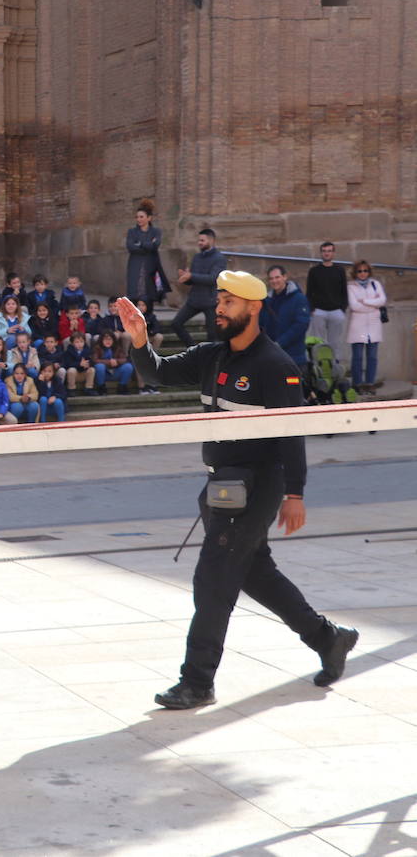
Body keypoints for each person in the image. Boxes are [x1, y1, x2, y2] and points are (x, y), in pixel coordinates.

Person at [114, 272, 359, 709]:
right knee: (255, 574)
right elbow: (160, 371)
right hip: (219, 487)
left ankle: (197, 681)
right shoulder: (213, 356)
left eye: (228, 301)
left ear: (254, 307)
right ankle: (329, 638)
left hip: (257, 487)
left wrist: (295, 493)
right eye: (219, 300)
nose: (219, 308)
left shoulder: (276, 366)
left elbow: (291, 433)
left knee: (213, 580)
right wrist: (139, 339)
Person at [171, 228, 228, 347]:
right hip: (194, 300)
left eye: (202, 240)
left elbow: (213, 279)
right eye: (199, 240)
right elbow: (193, 279)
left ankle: (210, 360)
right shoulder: (197, 257)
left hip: (210, 302)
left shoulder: (219, 258)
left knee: (212, 335)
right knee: (176, 323)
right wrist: (186, 279)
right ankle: (193, 349)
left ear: (212, 241)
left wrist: (191, 275)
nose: (199, 243)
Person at [345, 260, 386, 394]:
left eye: (365, 270)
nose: (363, 273)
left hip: (373, 325)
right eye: (360, 271)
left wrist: (365, 302)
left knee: (372, 356)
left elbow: (382, 300)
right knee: (357, 356)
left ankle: (370, 383)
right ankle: (357, 383)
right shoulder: (350, 286)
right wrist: (373, 305)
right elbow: (354, 306)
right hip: (358, 325)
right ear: (355, 272)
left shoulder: (375, 284)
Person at [262, 265, 312, 368]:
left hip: (293, 357)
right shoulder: (267, 300)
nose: (274, 281)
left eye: (277, 277)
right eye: (271, 278)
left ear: (285, 277)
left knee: (292, 383)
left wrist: (280, 343)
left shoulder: (299, 299)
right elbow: (262, 323)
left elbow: (301, 325)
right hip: (272, 356)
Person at [125, 198, 167, 312]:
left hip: (151, 267)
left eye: (141, 217)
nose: (138, 219)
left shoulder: (156, 231)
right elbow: (130, 247)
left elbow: (156, 245)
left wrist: (140, 244)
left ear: (149, 218)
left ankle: (150, 326)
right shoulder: (132, 232)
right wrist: (148, 245)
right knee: (134, 299)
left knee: (149, 298)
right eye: (137, 217)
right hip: (135, 266)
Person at [305, 241, 348, 353]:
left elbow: (344, 291)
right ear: (321, 253)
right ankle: (319, 367)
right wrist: (312, 309)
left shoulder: (340, 270)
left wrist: (342, 309)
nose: (326, 253)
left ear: (333, 253)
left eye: (329, 251)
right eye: (324, 251)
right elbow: (309, 292)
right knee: (318, 342)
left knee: (335, 343)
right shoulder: (314, 271)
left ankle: (334, 367)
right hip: (319, 312)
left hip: (336, 312)